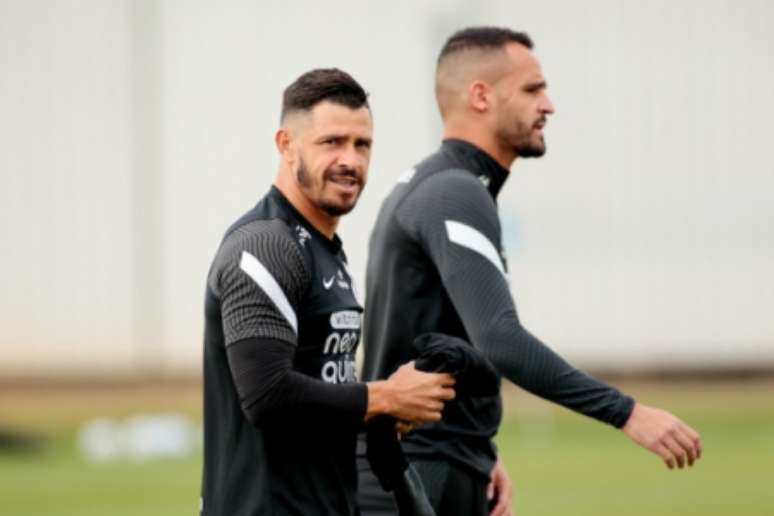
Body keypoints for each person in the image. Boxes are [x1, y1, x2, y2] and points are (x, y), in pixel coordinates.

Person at [357, 27, 703, 516]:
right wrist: (627, 413)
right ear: (481, 95)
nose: (549, 105)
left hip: (435, 462)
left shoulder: (443, 184)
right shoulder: (454, 191)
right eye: (532, 89)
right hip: (419, 472)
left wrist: (480, 450)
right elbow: (499, 337)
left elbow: (439, 332)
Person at [200, 68, 456, 516]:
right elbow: (268, 396)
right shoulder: (265, 246)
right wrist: (385, 396)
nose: (350, 160)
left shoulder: (326, 251)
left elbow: (321, 389)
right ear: (285, 144)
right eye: (331, 142)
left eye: (363, 145)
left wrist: (381, 416)